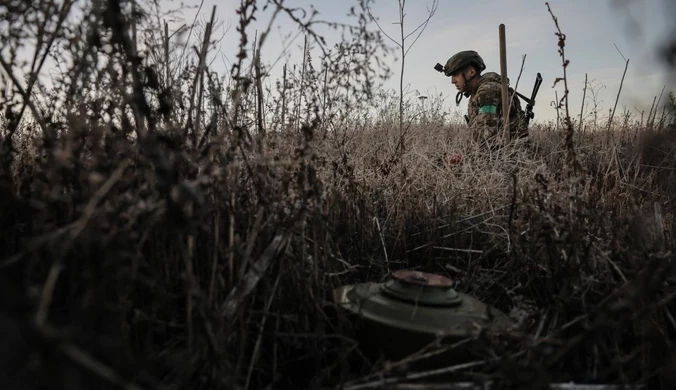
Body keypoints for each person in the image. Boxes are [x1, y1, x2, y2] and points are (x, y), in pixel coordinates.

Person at [442, 50, 529, 149]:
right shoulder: (477, 92)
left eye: (456, 74)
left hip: (511, 156)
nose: (453, 81)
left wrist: (463, 154)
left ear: (471, 72)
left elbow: (485, 136)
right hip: (500, 153)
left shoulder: (487, 90)